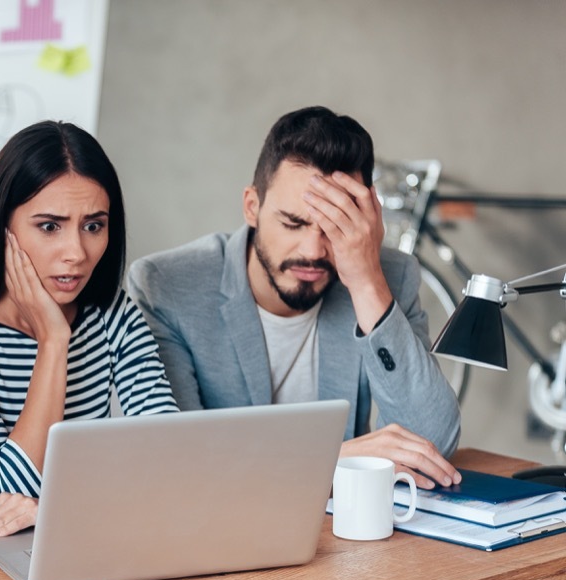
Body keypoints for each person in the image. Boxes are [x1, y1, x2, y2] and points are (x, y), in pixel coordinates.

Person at [128, 106, 462, 490]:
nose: (314, 250)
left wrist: (367, 282)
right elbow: (175, 462)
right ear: (252, 206)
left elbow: (432, 445)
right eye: (293, 223)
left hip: (341, 536)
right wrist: (332, 459)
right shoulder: (167, 287)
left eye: (335, 227)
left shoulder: (387, 276)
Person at [0, 121, 178, 544]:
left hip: (79, 545)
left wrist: (59, 511)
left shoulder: (113, 315)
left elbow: (169, 460)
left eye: (93, 225)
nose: (76, 253)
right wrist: (53, 342)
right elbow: (6, 494)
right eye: (50, 226)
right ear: (3, 228)